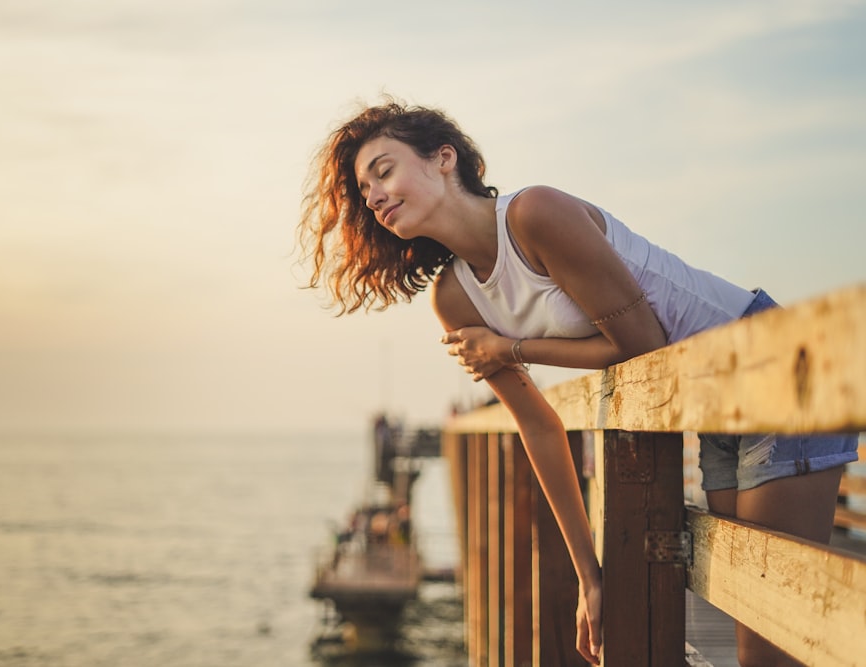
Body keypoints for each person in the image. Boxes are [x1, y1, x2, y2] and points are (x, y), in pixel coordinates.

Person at [297, 98, 858, 667]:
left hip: (772, 366)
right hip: (713, 405)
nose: (372, 196)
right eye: (364, 189)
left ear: (445, 159)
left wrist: (510, 348)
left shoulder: (534, 214)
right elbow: (540, 428)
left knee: (769, 646)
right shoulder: (454, 297)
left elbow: (645, 347)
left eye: (383, 171)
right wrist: (589, 575)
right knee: (750, 627)